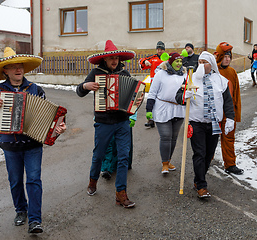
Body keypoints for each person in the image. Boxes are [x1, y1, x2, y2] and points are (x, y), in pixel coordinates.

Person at [0, 47, 67, 234]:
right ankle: (20, 210)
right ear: (5, 71)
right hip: (10, 146)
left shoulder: (36, 90)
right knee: (16, 181)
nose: (18, 70)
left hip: (33, 145)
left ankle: (35, 220)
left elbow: (49, 118)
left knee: (34, 180)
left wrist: (58, 128)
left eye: (20, 66)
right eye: (13, 67)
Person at [76, 40, 143, 208]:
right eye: (111, 58)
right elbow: (79, 92)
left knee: (123, 157)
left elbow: (134, 99)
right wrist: (85, 85)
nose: (114, 60)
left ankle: (121, 194)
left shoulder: (124, 73)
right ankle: (93, 181)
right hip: (103, 122)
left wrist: (138, 101)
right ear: (105, 60)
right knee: (99, 154)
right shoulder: (96, 73)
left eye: (116, 58)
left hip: (122, 122)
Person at [175, 51, 235, 198]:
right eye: (200, 62)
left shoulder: (220, 80)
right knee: (199, 153)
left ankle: (198, 179)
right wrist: (184, 95)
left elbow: (228, 102)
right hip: (197, 123)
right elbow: (178, 97)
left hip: (214, 123)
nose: (201, 65)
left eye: (204, 62)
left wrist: (231, 118)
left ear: (211, 64)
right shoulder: (191, 79)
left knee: (209, 154)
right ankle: (202, 186)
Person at [145, 52, 186, 174]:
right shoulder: (160, 74)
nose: (179, 64)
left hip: (178, 109)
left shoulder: (184, 75)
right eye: (176, 61)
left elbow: (188, 91)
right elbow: (152, 93)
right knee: (166, 136)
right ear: (170, 61)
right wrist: (149, 110)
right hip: (162, 108)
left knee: (173, 138)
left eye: (180, 61)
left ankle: (168, 161)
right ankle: (164, 164)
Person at [214, 42, 243, 175]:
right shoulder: (213, 71)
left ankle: (230, 164)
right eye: (225, 56)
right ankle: (206, 160)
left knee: (229, 139)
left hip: (228, 113)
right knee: (210, 139)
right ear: (219, 56)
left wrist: (235, 113)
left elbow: (236, 94)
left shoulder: (232, 72)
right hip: (213, 113)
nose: (227, 59)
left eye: (229, 56)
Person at [101, 112, 137, 180]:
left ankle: (123, 164)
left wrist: (132, 117)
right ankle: (107, 168)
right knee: (108, 143)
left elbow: (133, 102)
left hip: (124, 119)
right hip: (107, 119)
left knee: (123, 146)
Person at [139, 41, 166, 128]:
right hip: (154, 83)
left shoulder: (167, 58)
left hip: (165, 83)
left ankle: (164, 118)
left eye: (161, 49)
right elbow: (141, 61)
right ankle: (151, 119)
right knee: (152, 101)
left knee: (163, 100)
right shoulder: (153, 58)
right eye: (158, 49)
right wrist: (145, 62)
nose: (160, 51)